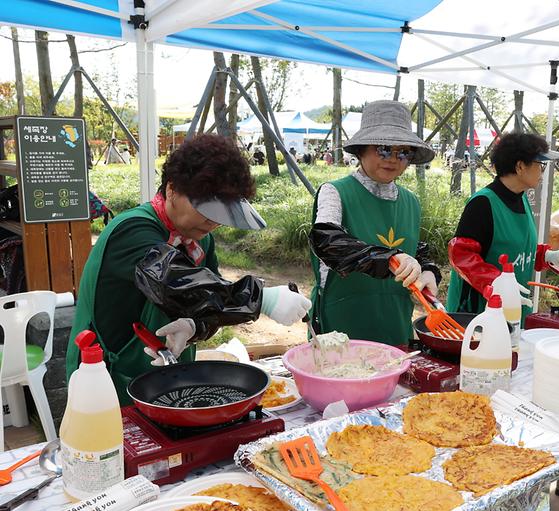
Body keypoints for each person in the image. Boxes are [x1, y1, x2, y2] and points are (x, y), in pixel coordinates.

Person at [67, 135, 311, 404]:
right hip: (106, 376)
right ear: (171, 189)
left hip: (169, 377)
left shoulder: (201, 240)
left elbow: (213, 303)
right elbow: (175, 281)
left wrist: (194, 327)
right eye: (206, 210)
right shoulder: (132, 231)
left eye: (221, 215)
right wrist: (262, 298)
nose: (213, 223)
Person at [308, 100, 441, 345]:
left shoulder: (411, 201)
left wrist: (429, 271)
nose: (393, 159)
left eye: (403, 152)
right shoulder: (336, 192)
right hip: (342, 328)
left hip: (395, 323)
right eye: (383, 148)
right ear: (361, 150)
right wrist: (389, 259)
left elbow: (416, 248)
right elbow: (327, 241)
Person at [446, 133, 559, 322]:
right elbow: (461, 255)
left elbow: (515, 249)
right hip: (479, 312)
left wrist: (545, 256)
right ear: (520, 166)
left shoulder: (521, 198)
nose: (543, 172)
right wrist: (496, 282)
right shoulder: (482, 204)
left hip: (512, 308)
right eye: (541, 165)